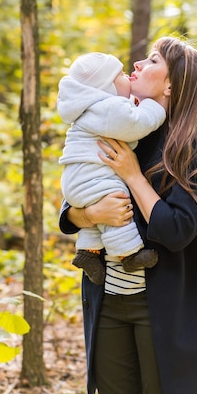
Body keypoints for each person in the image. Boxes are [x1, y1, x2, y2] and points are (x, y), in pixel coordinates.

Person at [59, 36, 197, 394]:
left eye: (153, 61)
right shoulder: (120, 125)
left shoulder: (193, 146)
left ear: (171, 84)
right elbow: (73, 204)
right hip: (109, 299)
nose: (139, 64)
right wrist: (90, 214)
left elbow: (176, 230)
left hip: (163, 308)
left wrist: (133, 176)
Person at [58, 52, 166, 285]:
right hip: (91, 179)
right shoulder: (109, 107)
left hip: (78, 181)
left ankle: (88, 252)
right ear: (107, 86)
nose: (130, 73)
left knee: (101, 202)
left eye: (153, 61)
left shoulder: (92, 108)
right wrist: (154, 107)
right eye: (121, 75)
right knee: (117, 199)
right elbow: (137, 123)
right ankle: (129, 254)